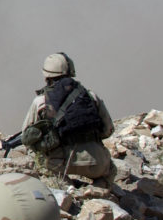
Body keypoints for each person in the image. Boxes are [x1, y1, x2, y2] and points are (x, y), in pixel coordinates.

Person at [20, 52, 115, 183]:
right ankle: (99, 190)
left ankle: (65, 187)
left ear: (46, 76)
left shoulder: (41, 101)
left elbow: (26, 137)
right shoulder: (90, 96)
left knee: (42, 166)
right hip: (96, 163)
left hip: (60, 163)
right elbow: (108, 130)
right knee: (111, 169)